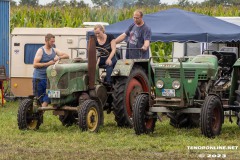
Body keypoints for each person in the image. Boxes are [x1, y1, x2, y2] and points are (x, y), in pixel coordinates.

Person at [33, 33, 69, 107]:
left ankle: (43, 108)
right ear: (46, 40)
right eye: (52, 41)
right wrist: (47, 64)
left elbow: (67, 56)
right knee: (39, 99)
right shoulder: (41, 51)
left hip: (49, 78)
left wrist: (58, 58)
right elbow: (35, 64)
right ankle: (38, 113)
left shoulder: (54, 50)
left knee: (50, 94)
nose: (53, 43)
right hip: (39, 78)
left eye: (54, 41)